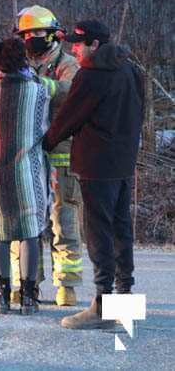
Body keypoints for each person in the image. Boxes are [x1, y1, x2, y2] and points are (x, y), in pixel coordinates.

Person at [43, 20, 144, 329]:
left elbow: (68, 118)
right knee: (121, 229)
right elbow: (140, 113)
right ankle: (124, 301)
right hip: (123, 163)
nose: (74, 48)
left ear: (96, 45)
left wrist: (44, 143)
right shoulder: (131, 70)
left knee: (99, 233)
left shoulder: (91, 76)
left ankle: (102, 307)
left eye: (79, 43)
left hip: (96, 164)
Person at [11, 5, 83, 307]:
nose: (31, 39)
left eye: (37, 33)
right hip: (26, 154)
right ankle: (26, 283)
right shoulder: (18, 65)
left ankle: (67, 285)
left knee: (63, 219)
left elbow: (71, 92)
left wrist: (40, 85)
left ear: (54, 35)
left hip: (60, 155)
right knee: (25, 221)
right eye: (26, 34)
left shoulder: (68, 65)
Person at [0, 38, 51, 315]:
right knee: (29, 233)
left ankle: (1, 294)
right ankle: (29, 296)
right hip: (27, 168)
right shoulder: (37, 88)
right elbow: (43, 126)